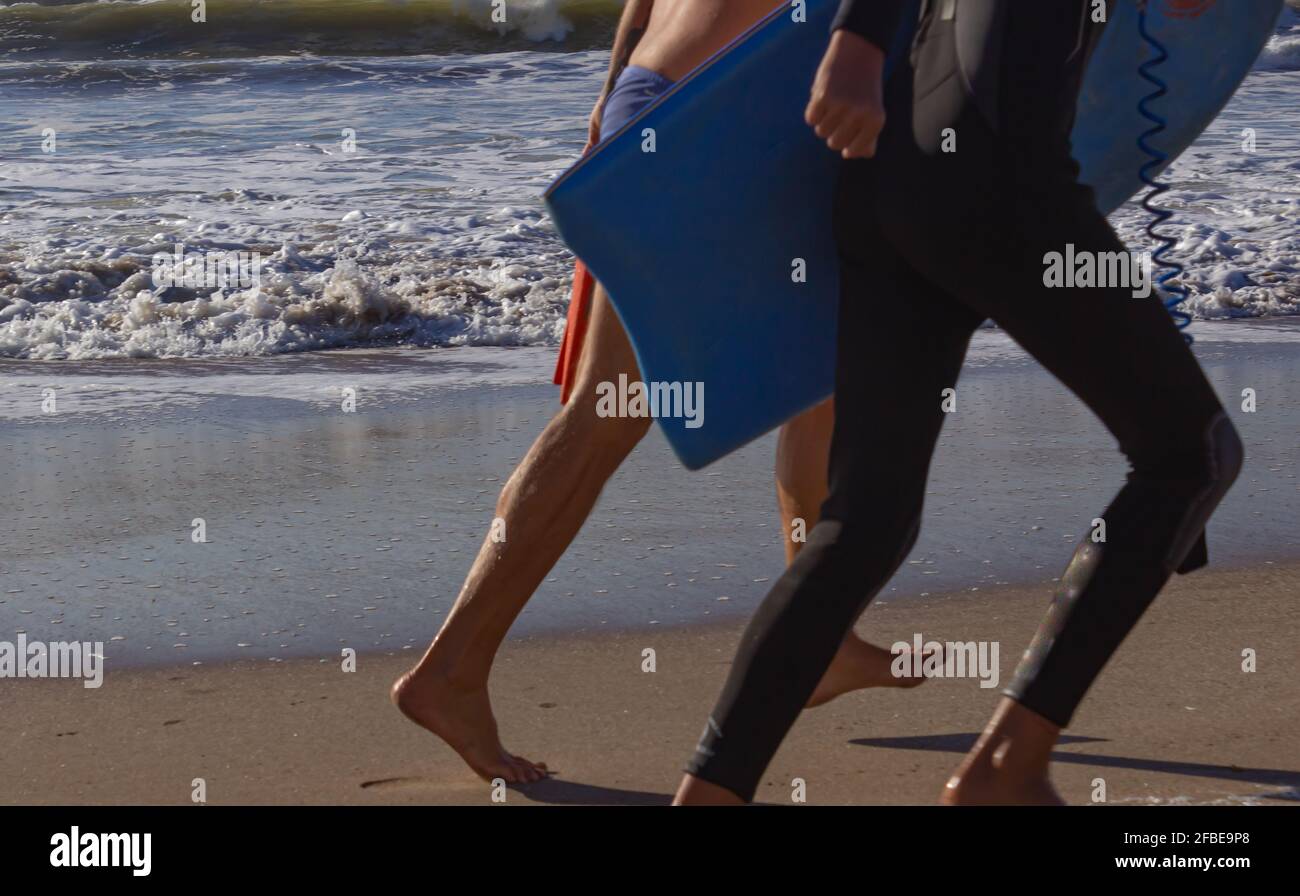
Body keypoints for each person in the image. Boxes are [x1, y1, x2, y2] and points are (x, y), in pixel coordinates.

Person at [675, 0, 1243, 805]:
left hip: (895, 172)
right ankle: (1006, 769)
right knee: (1192, 455)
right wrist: (857, 36)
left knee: (865, 523)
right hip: (996, 176)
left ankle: (706, 799)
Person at [392, 0, 924, 786]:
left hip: (658, 101)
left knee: (815, 375)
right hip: (725, 122)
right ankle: (451, 671)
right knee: (613, 416)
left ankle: (820, 645)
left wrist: (609, 111)